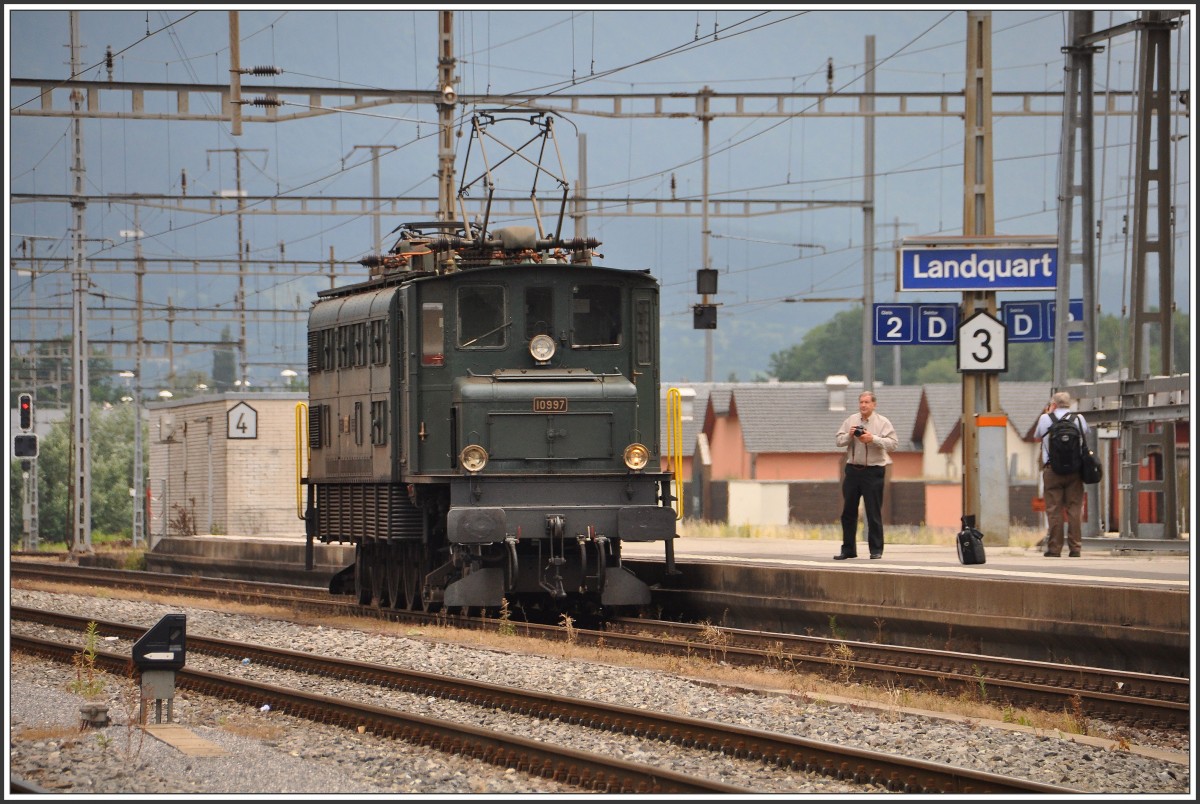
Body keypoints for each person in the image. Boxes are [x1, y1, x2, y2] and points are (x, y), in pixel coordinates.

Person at [834, 390, 898, 560]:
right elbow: (838, 441)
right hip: (853, 470)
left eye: (867, 402)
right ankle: (848, 549)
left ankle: (876, 550)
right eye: (861, 402)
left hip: (873, 471)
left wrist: (873, 439)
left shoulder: (882, 422)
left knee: (873, 512)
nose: (863, 405)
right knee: (848, 512)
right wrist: (849, 435)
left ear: (874, 405)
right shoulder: (851, 420)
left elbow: (893, 444)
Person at [1034, 390, 1089, 557]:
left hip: (1052, 470)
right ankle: (1075, 548)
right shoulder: (1078, 419)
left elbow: (1037, 436)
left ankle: (1054, 549)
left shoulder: (1045, 419)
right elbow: (1085, 434)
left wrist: (1049, 414)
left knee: (1054, 509)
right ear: (1070, 404)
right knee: (1074, 509)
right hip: (1075, 471)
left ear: (1054, 404)